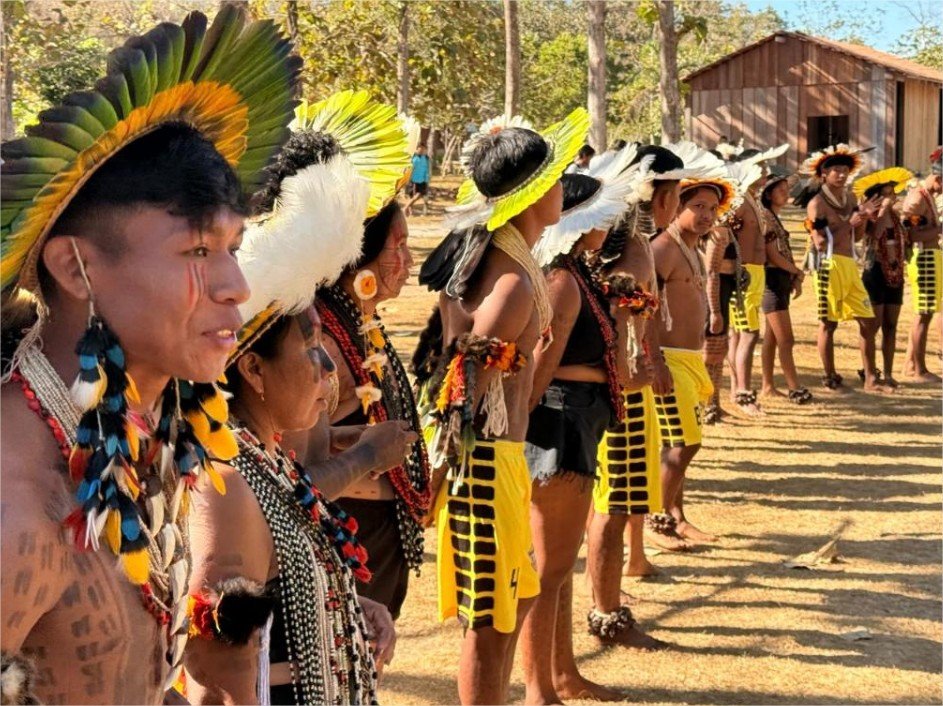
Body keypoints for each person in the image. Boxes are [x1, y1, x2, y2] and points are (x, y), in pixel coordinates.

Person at [0, 9, 301, 704]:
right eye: (197, 251)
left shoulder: (128, 445)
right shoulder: (19, 510)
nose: (236, 287)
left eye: (231, 245)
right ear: (76, 269)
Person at [185, 114, 412, 704]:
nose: (330, 369)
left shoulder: (269, 460)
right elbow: (216, 679)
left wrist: (350, 603)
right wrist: (364, 454)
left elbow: (284, 584)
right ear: (253, 370)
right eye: (311, 348)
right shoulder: (228, 482)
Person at [415, 108, 589, 705]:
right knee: (491, 619)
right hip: (484, 465)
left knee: (511, 604)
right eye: (557, 179)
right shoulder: (511, 278)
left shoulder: (516, 264)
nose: (566, 189)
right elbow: (461, 377)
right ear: (534, 193)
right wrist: (435, 476)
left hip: (501, 461)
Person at [522, 153, 644, 703]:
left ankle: (562, 673)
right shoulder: (563, 282)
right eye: (599, 214)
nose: (608, 225)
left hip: (580, 413)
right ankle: (538, 687)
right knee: (547, 570)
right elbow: (541, 360)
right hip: (560, 419)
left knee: (558, 565)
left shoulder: (579, 275)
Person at [588, 143, 723, 606]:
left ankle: (636, 558)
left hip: (636, 379)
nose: (700, 213)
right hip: (627, 383)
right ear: (662, 198)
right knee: (617, 493)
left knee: (633, 483)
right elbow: (629, 320)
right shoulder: (638, 252)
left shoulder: (643, 246)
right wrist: (649, 362)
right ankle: (607, 603)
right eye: (684, 198)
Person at [649, 167, 741, 549]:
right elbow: (644, 308)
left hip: (687, 358)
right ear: (674, 207)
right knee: (682, 443)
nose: (707, 215)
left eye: (713, 208)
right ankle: (654, 521)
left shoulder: (693, 246)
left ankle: (675, 517)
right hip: (667, 360)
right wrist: (654, 360)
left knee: (682, 440)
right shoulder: (661, 248)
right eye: (698, 206)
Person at [799, 144, 884, 392]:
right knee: (829, 323)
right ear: (824, 174)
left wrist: (864, 218)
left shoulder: (851, 198)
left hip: (848, 264)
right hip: (828, 264)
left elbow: (856, 236)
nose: (841, 174)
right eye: (835, 169)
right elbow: (820, 240)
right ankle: (830, 377)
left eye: (845, 169)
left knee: (868, 320)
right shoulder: (817, 203)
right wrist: (851, 221)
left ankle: (870, 377)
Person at [853, 168, 914, 388]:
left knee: (891, 325)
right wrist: (881, 212)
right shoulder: (868, 216)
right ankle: (869, 374)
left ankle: (888, 373)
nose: (892, 197)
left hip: (896, 274)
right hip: (875, 272)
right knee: (872, 326)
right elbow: (874, 234)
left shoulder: (897, 217)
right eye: (886, 193)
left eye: (893, 193)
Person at [759, 173, 813, 403]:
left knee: (772, 338)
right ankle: (794, 387)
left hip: (779, 279)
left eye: (786, 189)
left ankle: (767, 385)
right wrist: (796, 271)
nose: (786, 192)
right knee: (786, 340)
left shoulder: (773, 217)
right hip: (771, 280)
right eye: (780, 190)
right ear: (769, 194)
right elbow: (772, 255)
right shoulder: (766, 218)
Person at [902, 149, 943, 382]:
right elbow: (910, 236)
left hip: (931, 257)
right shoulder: (917, 198)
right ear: (938, 179)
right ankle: (919, 369)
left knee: (926, 314)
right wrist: (939, 230)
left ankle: (913, 365)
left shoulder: (926, 195)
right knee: (923, 315)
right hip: (923, 258)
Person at [405, 143, 432, 217]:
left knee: (419, 195)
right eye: (420, 149)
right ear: (416, 149)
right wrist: (408, 180)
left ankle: (406, 207)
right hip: (414, 181)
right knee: (412, 196)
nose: (421, 150)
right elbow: (410, 169)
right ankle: (410, 212)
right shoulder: (414, 158)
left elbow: (428, 169)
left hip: (423, 180)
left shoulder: (426, 158)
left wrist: (428, 178)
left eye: (423, 149)